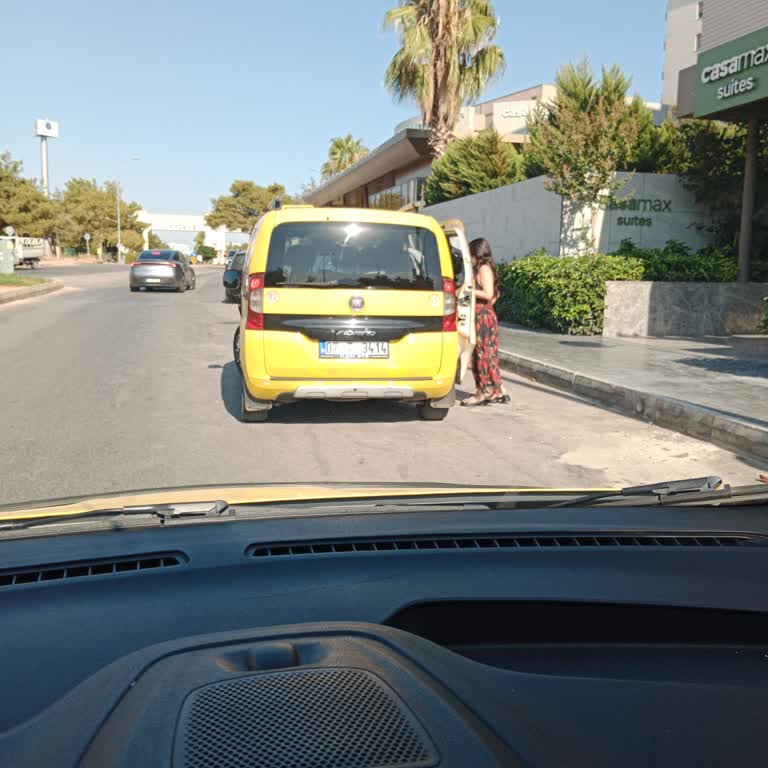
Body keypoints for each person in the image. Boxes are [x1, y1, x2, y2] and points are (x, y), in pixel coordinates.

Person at [461, 238, 510, 407]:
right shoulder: (483, 269)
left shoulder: (483, 269)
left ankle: (482, 392)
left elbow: (489, 293)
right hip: (482, 315)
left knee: (482, 355)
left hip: (483, 317)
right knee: (486, 354)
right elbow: (496, 295)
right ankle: (498, 390)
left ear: (477, 253)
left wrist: (469, 291)